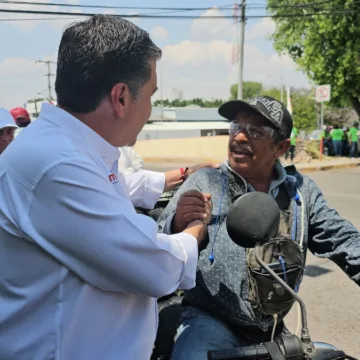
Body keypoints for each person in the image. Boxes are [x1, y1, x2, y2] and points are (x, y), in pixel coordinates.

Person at [0, 15, 211, 360]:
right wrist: (195, 229)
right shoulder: (57, 164)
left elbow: (114, 186)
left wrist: (180, 175)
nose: (150, 110)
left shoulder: (66, 147)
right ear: (122, 97)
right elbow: (155, 267)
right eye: (151, 96)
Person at [158, 95, 360, 359]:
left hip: (274, 329)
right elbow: (158, 243)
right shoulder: (205, 181)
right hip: (209, 322)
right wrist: (177, 223)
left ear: (281, 147)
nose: (240, 137)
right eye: (236, 127)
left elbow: (344, 240)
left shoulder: (301, 192)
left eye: (255, 131)